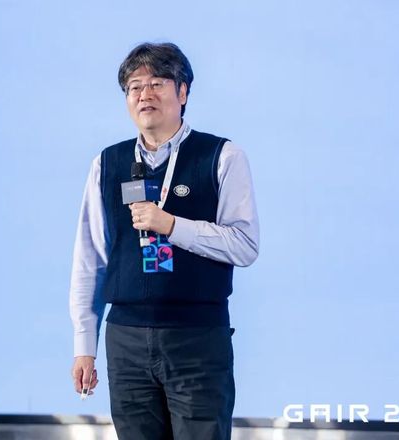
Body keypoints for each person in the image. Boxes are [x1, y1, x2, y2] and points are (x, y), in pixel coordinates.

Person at [69, 42, 259, 440]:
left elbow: (244, 244)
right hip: (126, 339)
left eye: (157, 83)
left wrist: (172, 225)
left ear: (183, 92)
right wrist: (84, 344)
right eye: (134, 87)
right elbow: (90, 259)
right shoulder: (108, 164)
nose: (145, 95)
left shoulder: (222, 156)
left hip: (196, 337)